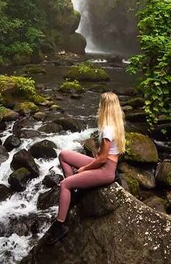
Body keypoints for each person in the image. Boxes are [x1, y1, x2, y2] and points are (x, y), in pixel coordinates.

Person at [43, 91, 125, 245]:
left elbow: (102, 160)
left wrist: (84, 169)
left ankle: (60, 225)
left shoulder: (108, 129)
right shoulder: (115, 124)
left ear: (104, 107)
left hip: (105, 171)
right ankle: (72, 192)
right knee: (64, 155)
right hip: (106, 165)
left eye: (100, 105)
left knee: (64, 184)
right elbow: (106, 154)